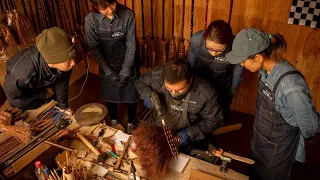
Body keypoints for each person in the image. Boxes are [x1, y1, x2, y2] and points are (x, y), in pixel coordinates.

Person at [225, 28, 320, 180]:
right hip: (259, 140)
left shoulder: (291, 87)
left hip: (278, 151)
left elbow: (310, 126)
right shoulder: (265, 72)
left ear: (258, 57)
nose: (242, 64)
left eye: (244, 60)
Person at [135, 58, 224, 153]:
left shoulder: (206, 93)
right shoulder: (157, 75)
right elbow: (140, 83)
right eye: (169, 89)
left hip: (184, 133)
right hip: (157, 125)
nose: (174, 93)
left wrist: (191, 133)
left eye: (180, 90)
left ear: (190, 80)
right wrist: (147, 94)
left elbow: (216, 119)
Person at [85, 0, 139, 132]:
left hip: (127, 61)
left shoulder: (128, 15)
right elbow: (95, 48)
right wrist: (108, 71)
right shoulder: (90, 20)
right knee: (109, 95)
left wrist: (125, 71)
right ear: (95, 6)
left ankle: (132, 121)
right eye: (104, 8)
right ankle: (114, 119)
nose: (110, 9)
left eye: (112, 3)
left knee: (132, 95)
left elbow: (131, 45)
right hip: (106, 63)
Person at [3, 27, 75, 110]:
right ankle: (44, 102)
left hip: (44, 81)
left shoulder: (62, 64)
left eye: (72, 58)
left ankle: (51, 103)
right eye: (68, 61)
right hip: (25, 92)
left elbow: (62, 84)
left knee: (56, 97)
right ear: (52, 61)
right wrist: (43, 94)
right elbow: (13, 95)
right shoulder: (21, 74)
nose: (73, 63)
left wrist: (63, 108)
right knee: (18, 102)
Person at [188, 20, 244, 120]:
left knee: (220, 114)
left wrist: (233, 90)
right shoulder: (196, 40)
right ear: (205, 38)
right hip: (200, 81)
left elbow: (238, 70)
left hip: (223, 82)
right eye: (209, 48)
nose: (213, 54)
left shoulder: (236, 46)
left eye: (219, 50)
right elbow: (190, 64)